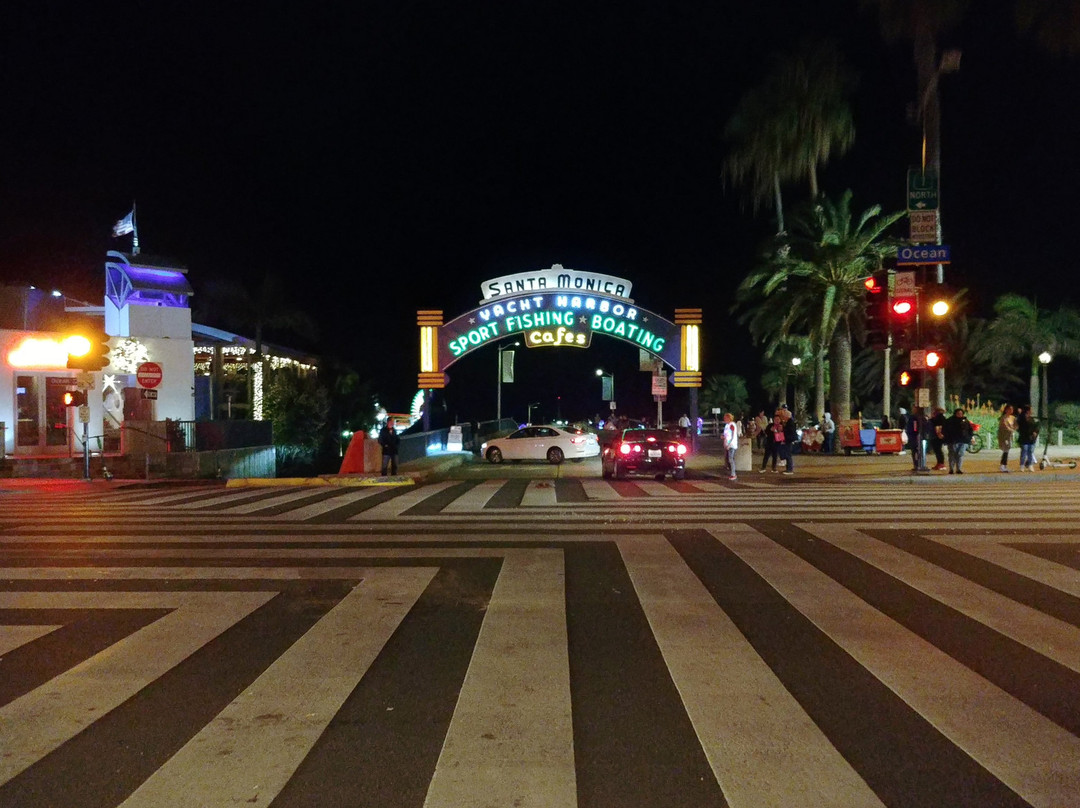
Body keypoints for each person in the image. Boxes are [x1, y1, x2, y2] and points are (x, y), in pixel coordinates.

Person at [942, 407, 974, 474]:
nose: (960, 415)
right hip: (953, 440)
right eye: (958, 413)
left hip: (963, 440)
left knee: (960, 454)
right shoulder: (950, 421)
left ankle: (958, 469)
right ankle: (951, 469)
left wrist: (970, 437)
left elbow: (970, 430)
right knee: (952, 454)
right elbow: (945, 430)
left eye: (961, 413)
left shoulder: (965, 421)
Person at [1016, 404, 1039, 472]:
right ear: (1027, 410)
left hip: (1031, 438)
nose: (1032, 411)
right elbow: (1020, 427)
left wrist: (1035, 432)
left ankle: (1030, 465)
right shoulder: (1021, 418)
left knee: (1030, 452)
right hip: (1024, 438)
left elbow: (1036, 426)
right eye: (1030, 410)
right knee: (1024, 452)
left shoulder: (1032, 418)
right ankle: (1022, 465)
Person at [904, 406, 926, 471]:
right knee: (918, 451)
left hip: (914, 437)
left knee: (915, 451)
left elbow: (915, 428)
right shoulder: (922, 417)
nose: (912, 409)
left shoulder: (914, 418)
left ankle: (917, 465)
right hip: (919, 436)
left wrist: (914, 433)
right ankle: (919, 464)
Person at [998, 404, 1017, 472]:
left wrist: (1014, 429)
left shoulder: (1013, 418)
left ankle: (1003, 465)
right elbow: (1005, 426)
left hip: (1010, 436)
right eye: (1010, 409)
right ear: (1006, 410)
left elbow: (1016, 425)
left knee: (1007, 450)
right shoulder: (1003, 418)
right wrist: (1011, 429)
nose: (1011, 410)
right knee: (1006, 450)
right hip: (1004, 436)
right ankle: (1003, 465)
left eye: (1012, 409)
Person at [781, 408, 797, 474]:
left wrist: (784, 429)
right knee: (787, 454)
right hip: (788, 439)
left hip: (789, 440)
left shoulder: (790, 423)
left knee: (788, 454)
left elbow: (789, 431)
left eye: (784, 415)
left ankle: (789, 469)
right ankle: (788, 468)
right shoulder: (789, 422)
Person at [722, 412, 738, 480]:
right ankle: (731, 471)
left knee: (731, 459)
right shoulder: (727, 425)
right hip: (727, 444)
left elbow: (733, 436)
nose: (724, 419)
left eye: (725, 418)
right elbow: (726, 435)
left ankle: (733, 474)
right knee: (728, 459)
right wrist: (724, 438)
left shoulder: (732, 425)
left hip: (731, 445)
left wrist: (729, 444)